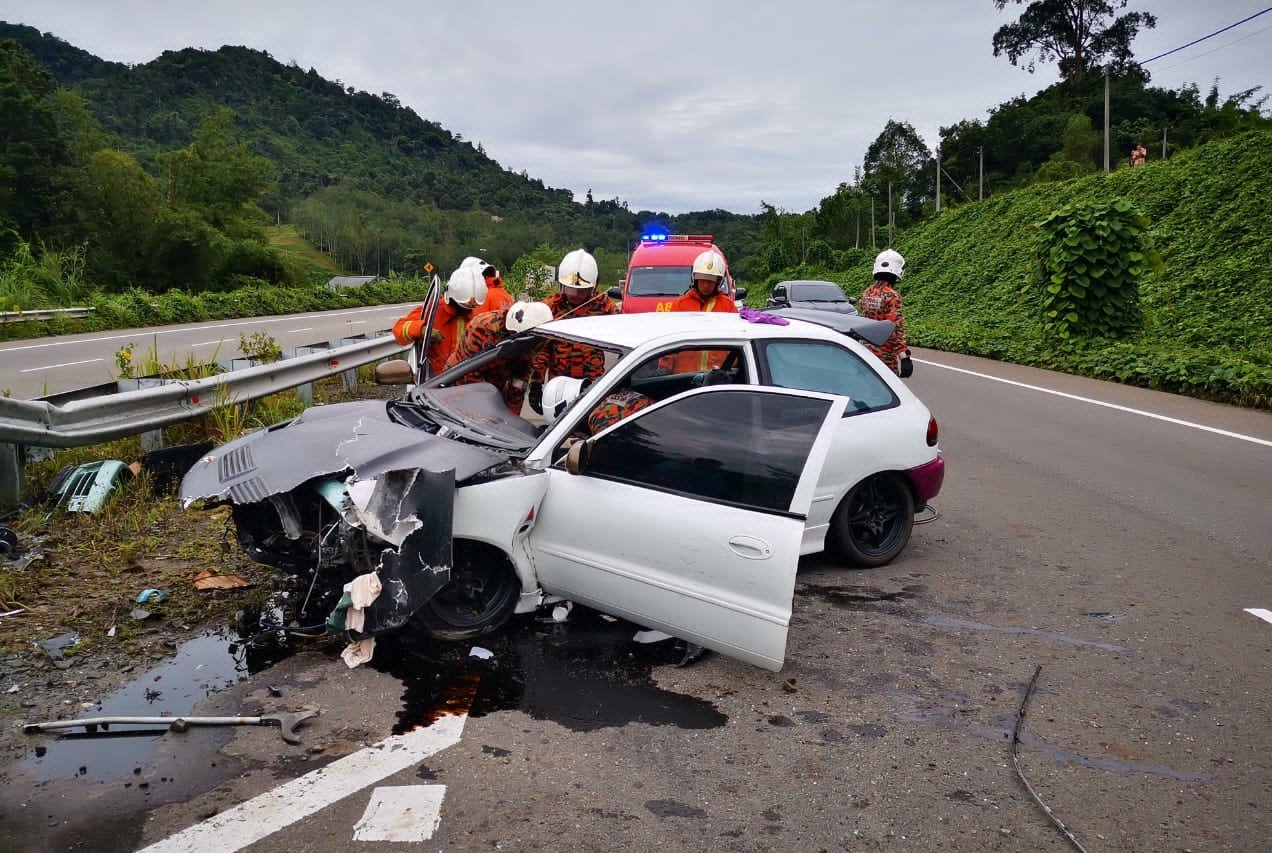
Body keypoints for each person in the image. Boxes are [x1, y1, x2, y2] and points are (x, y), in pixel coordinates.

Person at [528, 249, 618, 413]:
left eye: (581, 290)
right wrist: (536, 382)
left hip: (592, 381)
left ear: (594, 286)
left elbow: (623, 338)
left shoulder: (605, 307)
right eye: (571, 290)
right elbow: (541, 349)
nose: (575, 295)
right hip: (559, 382)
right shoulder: (551, 307)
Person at [443, 300, 554, 413]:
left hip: (496, 383)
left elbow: (519, 380)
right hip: (457, 380)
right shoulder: (482, 328)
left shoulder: (537, 339)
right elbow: (469, 374)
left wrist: (511, 416)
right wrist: (486, 411)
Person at [392, 263, 488, 376]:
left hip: (470, 382)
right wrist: (423, 330)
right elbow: (399, 330)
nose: (466, 311)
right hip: (436, 382)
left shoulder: (480, 317)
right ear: (451, 298)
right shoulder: (433, 311)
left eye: (471, 308)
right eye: (462, 307)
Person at [858, 249, 908, 376]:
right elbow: (894, 328)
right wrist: (904, 356)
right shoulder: (892, 296)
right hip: (885, 356)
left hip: (865, 351)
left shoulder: (866, 293)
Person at [669, 250, 737, 313]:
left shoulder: (728, 306)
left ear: (718, 282)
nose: (706, 285)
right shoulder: (680, 304)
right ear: (695, 280)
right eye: (702, 280)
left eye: (710, 281)